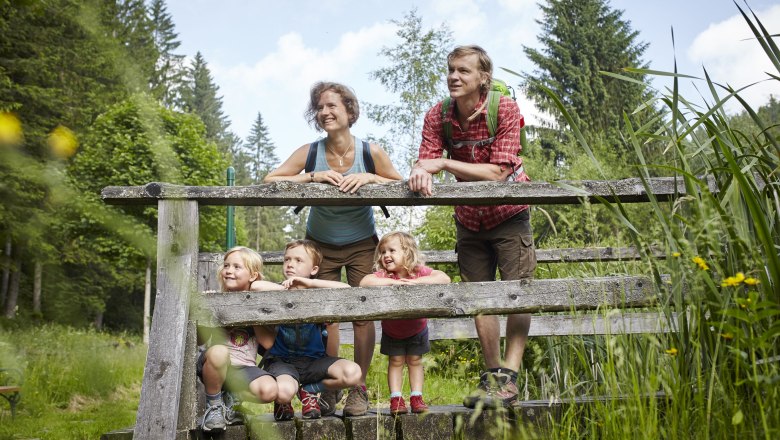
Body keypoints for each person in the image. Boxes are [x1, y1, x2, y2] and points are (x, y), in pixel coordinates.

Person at [407, 45, 537, 409]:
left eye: (463, 70)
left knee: (518, 293)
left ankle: (510, 376)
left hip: (509, 213)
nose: (454, 76)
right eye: (450, 69)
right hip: (468, 218)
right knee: (480, 299)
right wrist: (421, 170)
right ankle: (493, 377)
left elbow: (498, 171)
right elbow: (425, 161)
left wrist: (444, 165)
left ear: (483, 78)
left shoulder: (504, 108)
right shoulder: (438, 115)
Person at [264, 81, 402, 416]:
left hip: (360, 244)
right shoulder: (311, 152)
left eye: (332, 106)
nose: (324, 112)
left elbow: (399, 182)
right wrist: (312, 177)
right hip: (319, 246)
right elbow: (270, 179)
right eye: (320, 108)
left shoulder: (370, 152)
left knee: (362, 314)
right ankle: (323, 390)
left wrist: (370, 178)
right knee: (325, 316)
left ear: (350, 111)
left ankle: (359, 389)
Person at [255, 239, 363, 421]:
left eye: (298, 260)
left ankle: (309, 391)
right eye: (287, 259)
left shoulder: (318, 295)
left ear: (313, 270)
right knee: (283, 393)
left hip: (314, 363)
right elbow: (256, 286)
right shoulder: (276, 291)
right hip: (283, 363)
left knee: (353, 373)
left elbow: (346, 288)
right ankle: (285, 401)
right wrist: (288, 290)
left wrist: (307, 284)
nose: (290, 264)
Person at [359, 232, 450, 415]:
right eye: (383, 252)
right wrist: (390, 283)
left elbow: (444, 278)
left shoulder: (417, 272)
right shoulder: (385, 275)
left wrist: (417, 282)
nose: (386, 255)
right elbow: (364, 282)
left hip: (417, 328)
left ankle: (417, 397)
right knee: (396, 361)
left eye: (392, 250)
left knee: (415, 361)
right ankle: (396, 398)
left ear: (407, 252)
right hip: (392, 329)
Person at [197, 246, 282, 432]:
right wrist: (207, 313)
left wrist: (252, 310)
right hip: (216, 364)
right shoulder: (216, 298)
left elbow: (268, 343)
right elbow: (200, 341)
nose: (229, 270)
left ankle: (231, 398)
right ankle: (214, 407)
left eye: (237, 267)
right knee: (220, 351)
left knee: (270, 390)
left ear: (252, 276)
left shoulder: (260, 304)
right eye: (227, 265)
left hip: (245, 368)